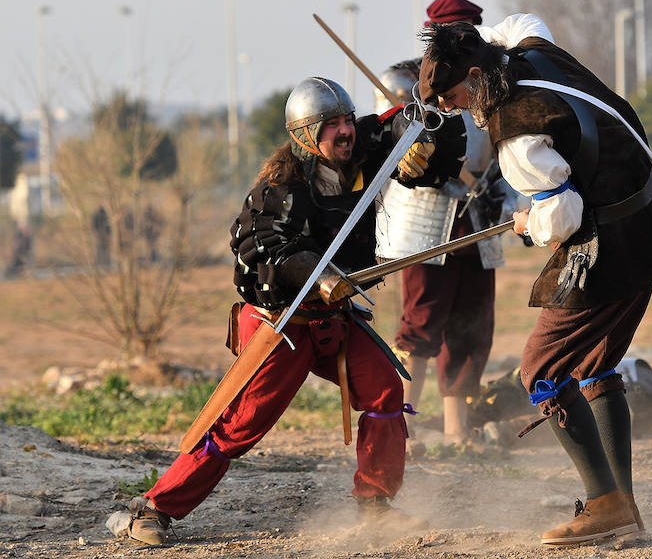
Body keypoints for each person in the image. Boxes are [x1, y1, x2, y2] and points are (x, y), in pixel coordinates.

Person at [110, 77, 458, 545]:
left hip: (335, 322)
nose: (344, 131)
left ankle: (376, 506)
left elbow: (403, 124)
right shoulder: (277, 189)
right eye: (329, 125)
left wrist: (427, 131)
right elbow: (263, 249)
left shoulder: (362, 152)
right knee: (239, 426)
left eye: (345, 121)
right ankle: (154, 509)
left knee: (384, 391)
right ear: (303, 136)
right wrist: (320, 273)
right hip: (283, 323)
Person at [418, 14, 652, 545]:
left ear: (477, 75)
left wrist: (528, 224)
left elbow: (563, 215)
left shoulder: (515, 135)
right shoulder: (537, 53)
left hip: (608, 248)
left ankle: (605, 504)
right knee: (596, 365)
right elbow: (524, 19)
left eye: (451, 94)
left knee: (541, 371)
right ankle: (622, 503)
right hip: (649, 229)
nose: (450, 106)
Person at [374, 0, 519, 444]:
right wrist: (442, 162)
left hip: (479, 216)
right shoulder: (408, 82)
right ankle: (405, 425)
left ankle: (457, 432)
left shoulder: (494, 80)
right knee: (420, 326)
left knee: (471, 326)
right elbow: (391, 139)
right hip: (427, 217)